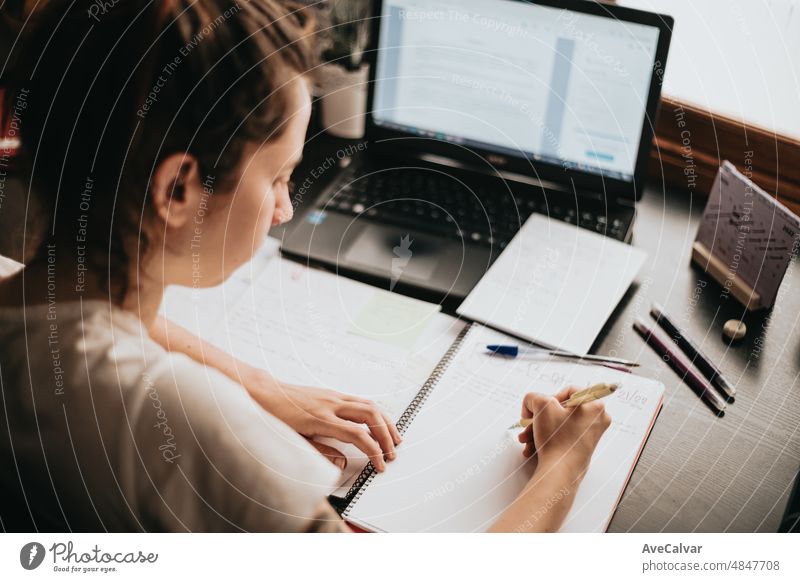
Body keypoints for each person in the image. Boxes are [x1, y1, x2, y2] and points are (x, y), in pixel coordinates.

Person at [0, 0, 610, 532]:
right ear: (180, 189)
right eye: (281, 177)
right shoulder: (184, 424)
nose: (287, 210)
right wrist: (565, 464)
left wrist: (262, 386)